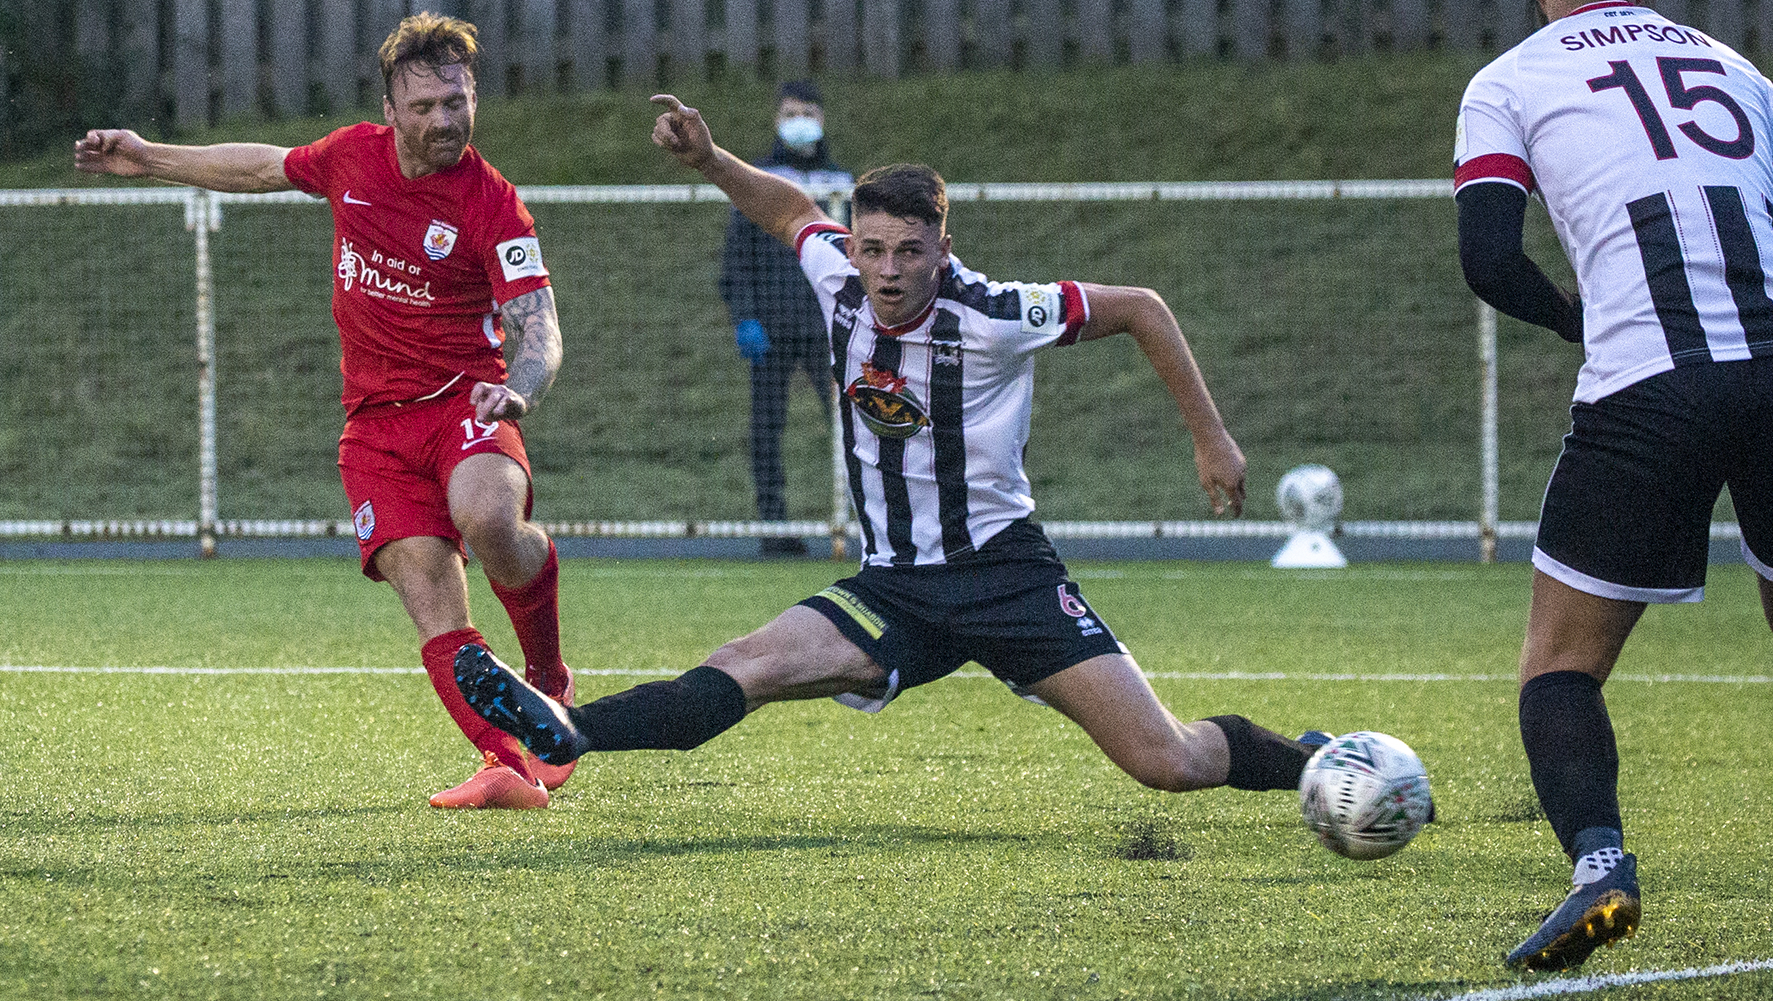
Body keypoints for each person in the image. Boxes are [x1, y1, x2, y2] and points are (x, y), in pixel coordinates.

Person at [452, 93, 1351, 818]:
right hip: (894, 587)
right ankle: (569, 729)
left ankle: (1309, 762)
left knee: (1169, 760)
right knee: (749, 661)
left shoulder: (995, 313)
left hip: (1006, 576)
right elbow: (790, 209)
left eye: (909, 252)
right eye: (872, 248)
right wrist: (711, 161)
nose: (886, 270)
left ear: (941, 250)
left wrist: (1210, 435)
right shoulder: (837, 278)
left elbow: (1143, 307)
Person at [73, 13, 578, 810]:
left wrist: (521, 385)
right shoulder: (350, 158)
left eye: (457, 101)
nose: (444, 119)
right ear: (390, 110)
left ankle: (548, 676)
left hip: (465, 406)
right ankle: (506, 763)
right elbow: (257, 167)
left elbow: (539, 324)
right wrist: (149, 157)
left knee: (487, 516)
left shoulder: (494, 205)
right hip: (376, 430)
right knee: (431, 599)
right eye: (425, 107)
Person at [1455, 0, 1773, 971]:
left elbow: (1490, 258)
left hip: (1648, 383)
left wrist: (1573, 320)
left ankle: (1601, 868)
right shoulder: (1740, 73)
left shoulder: (1509, 81)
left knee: (1561, 665)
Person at [718, 81, 855, 556]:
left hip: (829, 329)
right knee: (766, 432)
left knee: (854, 426)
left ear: (821, 118)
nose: (800, 121)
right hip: (771, 331)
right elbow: (737, 260)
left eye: (808, 112)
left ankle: (865, 524)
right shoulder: (758, 182)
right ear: (778, 120)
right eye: (791, 112)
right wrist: (745, 318)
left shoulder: (843, 184)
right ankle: (774, 527)